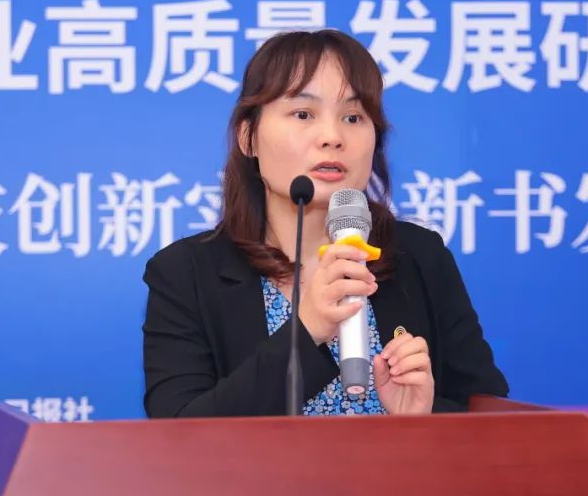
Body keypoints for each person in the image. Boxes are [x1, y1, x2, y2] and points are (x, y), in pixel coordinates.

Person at [143, 30, 507, 418]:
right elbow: (178, 431)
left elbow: (492, 418)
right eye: (303, 114)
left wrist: (420, 420)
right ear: (248, 137)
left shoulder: (420, 257)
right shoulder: (185, 273)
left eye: (353, 117)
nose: (333, 137)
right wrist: (305, 332)